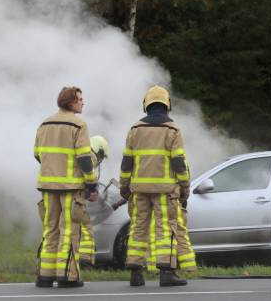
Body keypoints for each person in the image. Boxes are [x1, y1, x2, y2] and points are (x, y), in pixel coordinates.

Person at [118, 85, 193, 287]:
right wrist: (185, 187)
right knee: (165, 229)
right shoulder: (172, 129)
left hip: (139, 190)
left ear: (146, 105)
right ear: (167, 104)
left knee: (138, 228)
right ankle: (167, 273)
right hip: (165, 190)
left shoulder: (135, 129)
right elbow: (179, 163)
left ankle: (135, 273)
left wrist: (124, 186)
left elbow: (127, 163)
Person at [33, 86, 97, 288]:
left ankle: (45, 275)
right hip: (70, 187)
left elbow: (37, 154)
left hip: (47, 186)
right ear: (71, 102)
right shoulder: (79, 125)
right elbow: (85, 158)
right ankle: (67, 275)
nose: (82, 102)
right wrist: (91, 182)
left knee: (50, 230)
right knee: (69, 230)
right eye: (79, 99)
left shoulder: (44, 123)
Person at [77, 135, 110, 266]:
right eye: (102, 155)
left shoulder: (82, 154)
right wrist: (90, 192)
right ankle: (84, 261)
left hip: (67, 197)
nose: (100, 160)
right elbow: (83, 181)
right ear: (98, 150)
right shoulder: (90, 158)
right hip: (76, 199)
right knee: (86, 230)